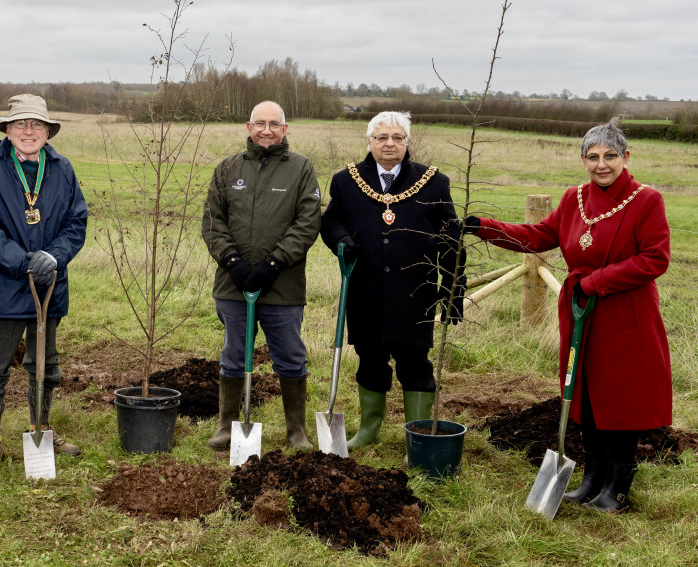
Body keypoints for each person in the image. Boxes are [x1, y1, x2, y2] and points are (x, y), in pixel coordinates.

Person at [464, 118, 671, 513]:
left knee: (621, 397)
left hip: (626, 315)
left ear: (626, 157)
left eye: (610, 156)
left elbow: (654, 259)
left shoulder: (647, 200)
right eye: (593, 157)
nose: (602, 164)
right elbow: (537, 236)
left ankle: (618, 487)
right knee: (586, 393)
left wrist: (595, 283)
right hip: (582, 314)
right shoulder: (574, 198)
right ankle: (592, 478)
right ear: (582, 159)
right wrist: (481, 227)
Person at [320, 111, 464, 450]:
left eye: (397, 137)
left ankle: (417, 435)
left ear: (406, 142)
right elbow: (331, 221)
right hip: (365, 288)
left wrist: (453, 286)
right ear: (369, 142)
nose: (390, 144)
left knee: (415, 362)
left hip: (415, 291)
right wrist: (342, 240)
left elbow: (450, 238)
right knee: (370, 359)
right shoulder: (345, 180)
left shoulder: (434, 181)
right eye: (382, 137)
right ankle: (369, 430)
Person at [0, 94, 88, 475]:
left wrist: (53, 257)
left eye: (37, 124)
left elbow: (76, 222)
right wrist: (22, 262)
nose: (29, 131)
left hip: (49, 283)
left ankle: (41, 428)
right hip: (5, 283)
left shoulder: (62, 168)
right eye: (21, 124)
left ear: (48, 130)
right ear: (8, 129)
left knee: (45, 362)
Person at [201, 100, 321, 452]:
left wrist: (274, 265)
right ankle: (226, 426)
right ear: (248, 127)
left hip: (282, 285)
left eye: (274, 123)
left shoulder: (300, 168)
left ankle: (296, 430)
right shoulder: (228, 168)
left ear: (285, 129)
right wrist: (232, 262)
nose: (266, 129)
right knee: (234, 354)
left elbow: (308, 221)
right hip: (233, 284)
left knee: (290, 356)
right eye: (259, 123)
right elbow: (212, 220)